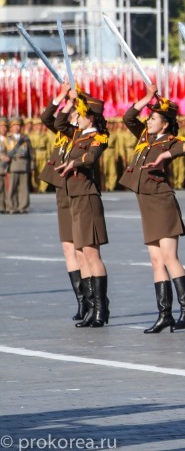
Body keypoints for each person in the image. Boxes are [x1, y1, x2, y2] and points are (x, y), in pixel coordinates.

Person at [121, 85, 185, 333]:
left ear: (164, 124)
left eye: (153, 118)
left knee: (169, 257)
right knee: (156, 261)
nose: (148, 120)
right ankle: (165, 314)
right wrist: (147, 98)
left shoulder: (170, 140)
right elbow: (128, 117)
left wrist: (165, 156)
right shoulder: (144, 136)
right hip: (146, 202)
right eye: (149, 117)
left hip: (162, 202)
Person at [55, 89, 112, 328]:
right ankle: (90, 307)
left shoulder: (98, 137)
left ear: (92, 117)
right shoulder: (78, 134)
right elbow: (58, 121)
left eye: (81, 113)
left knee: (91, 253)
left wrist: (73, 163)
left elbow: (90, 158)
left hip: (87, 196)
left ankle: (101, 309)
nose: (77, 116)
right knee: (80, 253)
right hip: (74, 197)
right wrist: (70, 101)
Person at [38, 85, 85, 320]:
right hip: (61, 190)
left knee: (82, 248)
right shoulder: (62, 131)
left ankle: (95, 298)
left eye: (75, 110)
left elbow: (58, 122)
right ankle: (81, 301)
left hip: (77, 190)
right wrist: (63, 95)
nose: (69, 113)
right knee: (68, 247)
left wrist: (75, 104)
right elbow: (47, 117)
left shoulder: (85, 134)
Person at [4, 117, 32, 213]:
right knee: (12, 188)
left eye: (18, 125)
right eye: (14, 126)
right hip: (12, 165)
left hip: (24, 165)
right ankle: (12, 207)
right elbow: (3, 151)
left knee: (24, 188)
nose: (17, 128)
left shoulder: (25, 138)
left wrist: (31, 165)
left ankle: (23, 207)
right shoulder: (7, 139)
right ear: (11, 128)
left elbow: (30, 153)